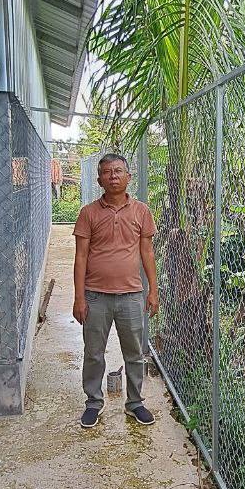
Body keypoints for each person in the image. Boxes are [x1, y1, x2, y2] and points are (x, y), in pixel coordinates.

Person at [72, 153, 159, 429]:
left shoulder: (141, 211)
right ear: (99, 180)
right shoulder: (88, 213)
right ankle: (93, 402)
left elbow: (147, 252)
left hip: (131, 296)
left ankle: (135, 403)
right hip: (95, 296)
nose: (113, 176)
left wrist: (153, 291)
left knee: (134, 353)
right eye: (107, 172)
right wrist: (79, 297)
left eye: (118, 171)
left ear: (128, 177)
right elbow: (80, 257)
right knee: (93, 353)